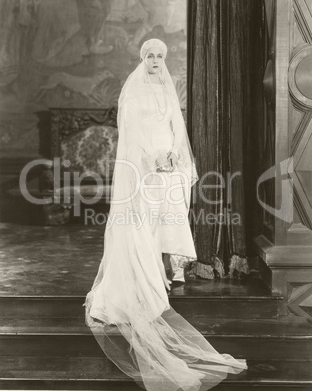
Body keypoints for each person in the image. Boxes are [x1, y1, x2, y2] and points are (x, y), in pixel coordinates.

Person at [84, 38, 247, 391]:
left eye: (160, 55)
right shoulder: (133, 90)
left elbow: (176, 127)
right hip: (141, 168)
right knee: (137, 224)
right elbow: (130, 132)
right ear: (143, 59)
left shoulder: (167, 87)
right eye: (150, 56)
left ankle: (156, 278)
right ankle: (128, 289)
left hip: (165, 168)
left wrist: (173, 155)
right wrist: (150, 159)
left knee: (160, 222)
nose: (156, 60)